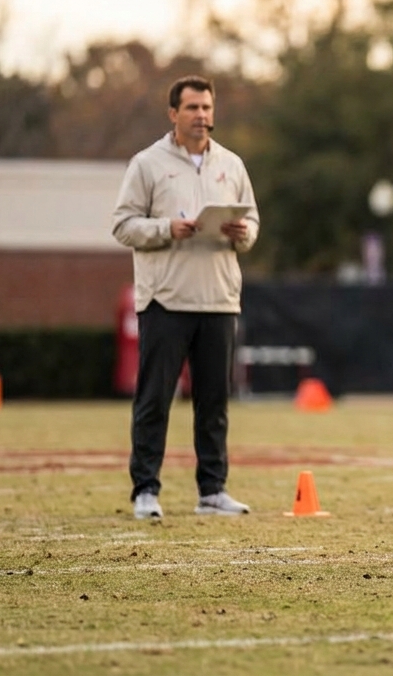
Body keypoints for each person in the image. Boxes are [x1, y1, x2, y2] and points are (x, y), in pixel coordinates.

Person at [111, 75, 260, 520]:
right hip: (166, 300)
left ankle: (212, 490)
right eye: (192, 107)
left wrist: (242, 233)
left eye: (207, 107)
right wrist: (165, 229)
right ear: (173, 114)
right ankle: (146, 490)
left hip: (218, 298)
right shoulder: (147, 164)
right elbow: (122, 225)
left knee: (214, 402)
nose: (201, 115)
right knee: (154, 398)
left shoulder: (231, 165)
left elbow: (251, 223)